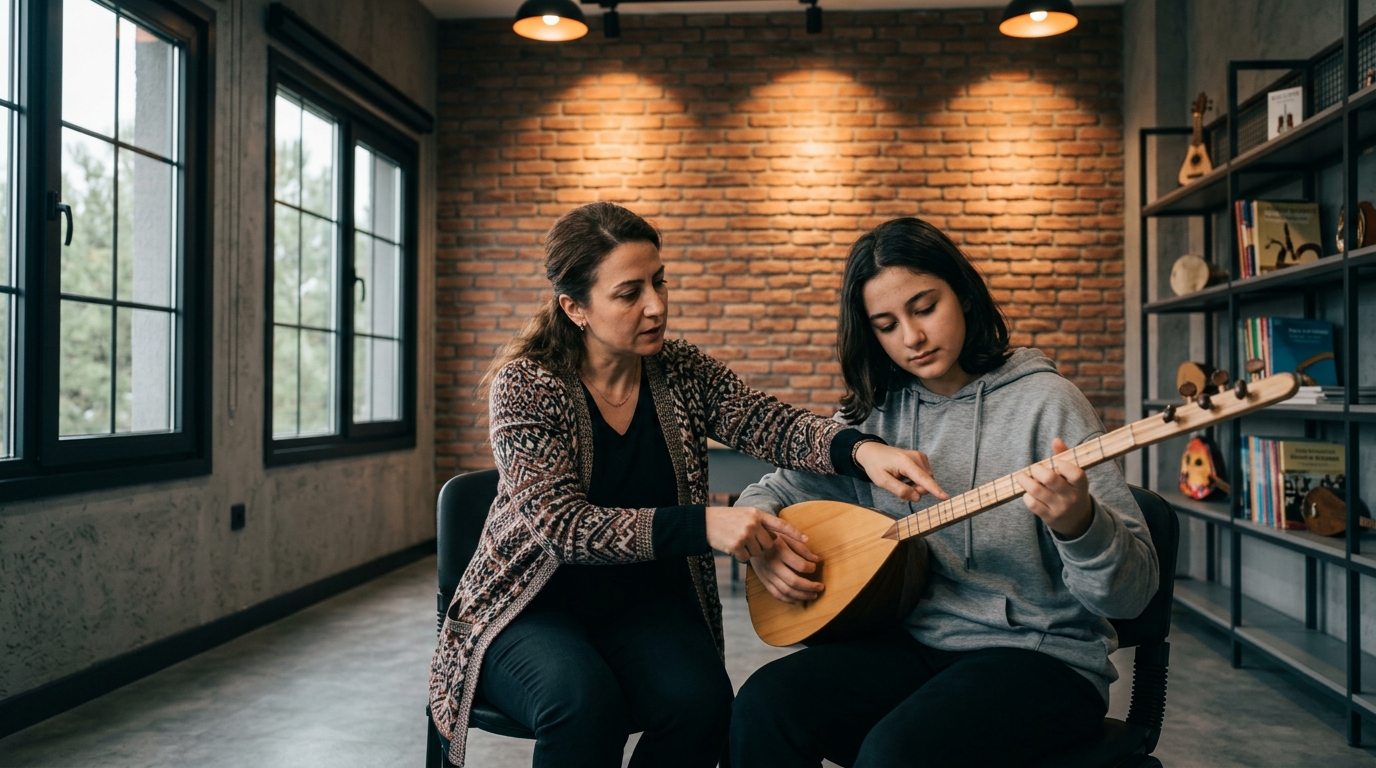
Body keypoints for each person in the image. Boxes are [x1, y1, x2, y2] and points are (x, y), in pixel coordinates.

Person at [426, 203, 949, 768]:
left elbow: (767, 422)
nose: (656, 306)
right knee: (582, 704)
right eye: (629, 293)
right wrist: (705, 524)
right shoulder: (527, 385)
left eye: (660, 282)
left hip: (640, 605)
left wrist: (863, 450)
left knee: (703, 706)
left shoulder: (680, 370)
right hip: (530, 608)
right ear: (575, 307)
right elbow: (562, 528)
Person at [730, 217, 1159, 768]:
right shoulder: (876, 414)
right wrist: (764, 540)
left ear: (963, 293)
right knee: (765, 705)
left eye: (924, 307)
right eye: (886, 324)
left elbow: (1132, 596)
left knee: (895, 753)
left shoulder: (1050, 404)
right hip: (911, 644)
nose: (911, 338)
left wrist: (1080, 524)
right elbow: (774, 488)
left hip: (1041, 658)